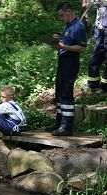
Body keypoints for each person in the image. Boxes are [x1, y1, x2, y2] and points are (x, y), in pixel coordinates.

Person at [52, 2, 87, 136]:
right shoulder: (68, 25)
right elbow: (66, 42)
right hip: (63, 62)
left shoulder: (78, 27)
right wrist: (57, 41)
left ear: (68, 11)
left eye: (61, 15)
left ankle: (66, 127)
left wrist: (64, 47)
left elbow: (82, 48)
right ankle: (59, 123)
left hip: (71, 63)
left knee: (66, 93)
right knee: (60, 92)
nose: (61, 18)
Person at [83, 0, 107, 92]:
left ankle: (105, 86)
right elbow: (89, 5)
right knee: (95, 56)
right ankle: (93, 84)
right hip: (99, 28)